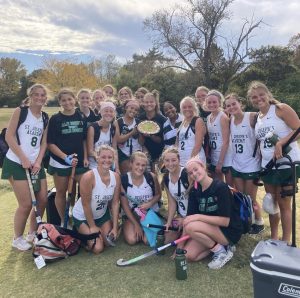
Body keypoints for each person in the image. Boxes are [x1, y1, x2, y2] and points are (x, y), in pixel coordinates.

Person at [248, 81, 300, 243]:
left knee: (284, 204)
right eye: (254, 97)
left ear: (268, 94)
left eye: (261, 95)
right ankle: (274, 238)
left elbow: (298, 129)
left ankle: (285, 241)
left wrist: (281, 142)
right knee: (271, 202)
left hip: (286, 164)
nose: (258, 99)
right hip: (268, 166)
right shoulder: (258, 118)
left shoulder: (280, 108)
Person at [2, 84, 49, 251]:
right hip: (16, 162)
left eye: (43, 95)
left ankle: (32, 232)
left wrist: (37, 161)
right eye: (36, 94)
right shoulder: (21, 111)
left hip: (35, 164)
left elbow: (43, 143)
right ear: (30, 96)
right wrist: (22, 158)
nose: (39, 97)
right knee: (26, 204)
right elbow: (9, 136)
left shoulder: (44, 117)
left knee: (43, 198)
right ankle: (17, 238)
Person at [177, 157, 243, 269]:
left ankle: (221, 252)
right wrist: (179, 248)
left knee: (190, 226)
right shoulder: (194, 191)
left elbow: (225, 221)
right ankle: (217, 246)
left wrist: (198, 217)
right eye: (190, 173)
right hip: (209, 230)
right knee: (188, 255)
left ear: (203, 167)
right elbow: (188, 218)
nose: (194, 174)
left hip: (228, 231)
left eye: (196, 169)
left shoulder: (220, 187)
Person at [47, 89, 89, 224]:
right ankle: (64, 221)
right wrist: (65, 157)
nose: (67, 102)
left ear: (74, 99)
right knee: (61, 192)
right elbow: (50, 143)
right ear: (59, 102)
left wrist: (86, 157)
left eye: (69, 99)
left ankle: (80, 216)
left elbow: (84, 139)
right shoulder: (55, 119)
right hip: (60, 162)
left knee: (86, 189)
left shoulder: (81, 116)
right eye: (63, 100)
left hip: (80, 162)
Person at [225, 93, 264, 234]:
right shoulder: (230, 121)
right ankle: (246, 222)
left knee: (250, 198)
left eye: (233, 104)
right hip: (237, 164)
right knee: (241, 197)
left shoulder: (252, 117)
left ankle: (259, 222)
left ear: (240, 103)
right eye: (228, 105)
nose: (231, 107)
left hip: (252, 164)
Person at [72, 145, 120, 254]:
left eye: (110, 157)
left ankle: (98, 230)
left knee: (109, 243)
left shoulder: (116, 177)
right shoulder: (88, 177)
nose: (107, 160)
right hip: (83, 216)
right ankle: (79, 230)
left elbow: (115, 203)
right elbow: (85, 204)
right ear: (97, 158)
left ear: (113, 159)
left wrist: (115, 227)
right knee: (98, 248)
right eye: (103, 157)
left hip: (101, 215)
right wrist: (93, 226)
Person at [120, 151, 162, 245]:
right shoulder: (123, 179)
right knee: (132, 240)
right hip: (132, 215)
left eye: (143, 165)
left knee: (147, 241)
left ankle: (145, 228)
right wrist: (135, 224)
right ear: (131, 164)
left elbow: (158, 195)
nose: (140, 168)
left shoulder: (151, 177)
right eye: (137, 164)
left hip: (149, 214)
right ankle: (132, 226)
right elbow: (125, 206)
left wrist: (150, 204)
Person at [161, 147, 190, 242]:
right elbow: (172, 202)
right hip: (181, 215)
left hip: (194, 215)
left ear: (179, 160)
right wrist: (169, 222)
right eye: (167, 161)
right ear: (163, 162)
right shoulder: (166, 178)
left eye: (173, 160)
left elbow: (196, 200)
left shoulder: (187, 174)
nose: (170, 164)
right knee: (167, 240)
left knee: (188, 249)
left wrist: (186, 219)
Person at [206, 90, 233, 184]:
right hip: (214, 157)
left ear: (219, 103)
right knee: (219, 187)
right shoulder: (208, 118)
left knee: (230, 188)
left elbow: (226, 141)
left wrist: (220, 162)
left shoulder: (223, 117)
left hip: (225, 158)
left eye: (214, 102)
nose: (211, 104)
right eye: (209, 102)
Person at [87, 101, 119, 171]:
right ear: (100, 112)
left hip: (109, 165)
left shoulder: (113, 128)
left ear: (114, 113)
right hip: (94, 166)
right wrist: (102, 159)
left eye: (111, 111)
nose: (109, 113)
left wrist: (117, 168)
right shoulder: (93, 127)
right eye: (106, 111)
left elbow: (114, 150)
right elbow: (90, 151)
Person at [139, 90, 167, 171]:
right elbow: (140, 142)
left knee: (158, 178)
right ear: (143, 103)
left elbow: (162, 141)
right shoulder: (140, 118)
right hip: (145, 155)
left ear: (155, 103)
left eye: (151, 102)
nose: (149, 104)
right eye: (146, 102)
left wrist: (150, 136)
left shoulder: (162, 119)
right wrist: (142, 135)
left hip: (159, 154)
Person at [176, 96, 206, 166]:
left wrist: (190, 161)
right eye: (184, 107)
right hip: (182, 161)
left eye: (190, 107)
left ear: (194, 108)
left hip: (195, 160)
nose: (187, 109)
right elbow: (177, 144)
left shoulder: (198, 121)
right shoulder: (181, 123)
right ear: (181, 109)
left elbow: (198, 145)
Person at [116, 99, 143, 174]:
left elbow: (141, 142)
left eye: (136, 110)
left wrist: (141, 133)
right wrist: (132, 133)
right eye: (131, 108)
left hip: (136, 151)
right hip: (123, 152)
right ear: (126, 108)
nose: (133, 111)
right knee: (127, 172)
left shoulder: (139, 122)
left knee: (138, 173)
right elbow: (118, 139)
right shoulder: (118, 122)